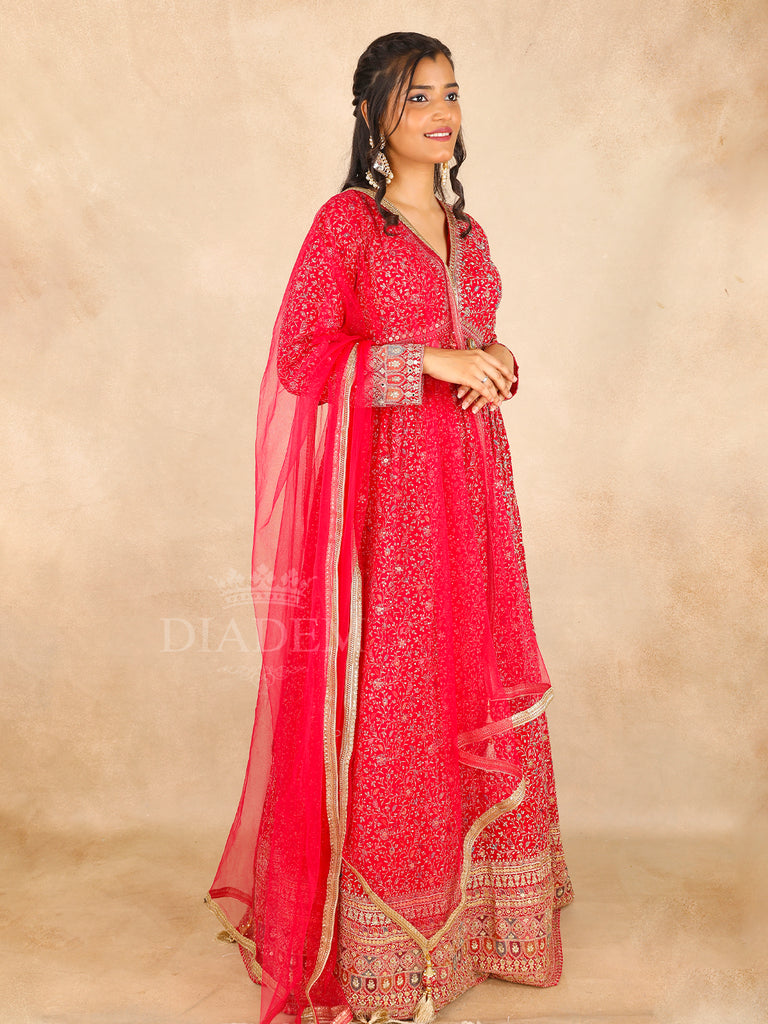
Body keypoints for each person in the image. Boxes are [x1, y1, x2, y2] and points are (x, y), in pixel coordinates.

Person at [204, 31, 574, 1024]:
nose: (442, 114)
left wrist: (492, 359)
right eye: (418, 98)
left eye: (451, 94)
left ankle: (491, 925)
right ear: (374, 115)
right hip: (390, 502)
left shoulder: (470, 229)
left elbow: (470, 339)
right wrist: (432, 366)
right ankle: (384, 956)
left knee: (476, 671)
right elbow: (301, 357)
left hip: (477, 496)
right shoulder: (348, 227)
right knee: (402, 694)